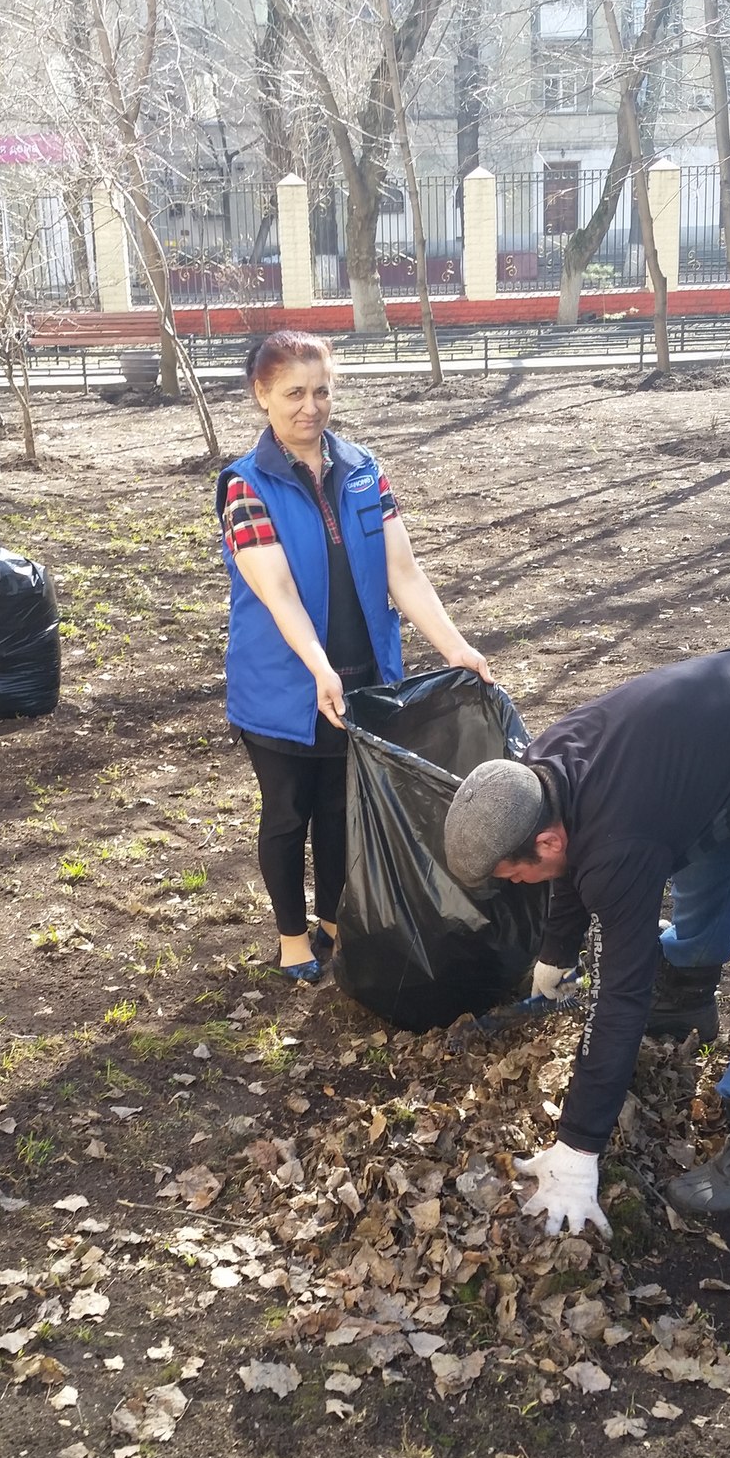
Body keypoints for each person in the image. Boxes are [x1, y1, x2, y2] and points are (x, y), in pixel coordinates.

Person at [442, 647, 730, 1232]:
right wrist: (557, 950)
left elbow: (619, 994)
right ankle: (685, 998)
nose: (519, 884)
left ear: (543, 842)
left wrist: (578, 1146)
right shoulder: (539, 775)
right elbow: (574, 858)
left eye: (514, 874)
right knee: (699, 874)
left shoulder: (617, 842)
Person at [217, 330, 490, 980]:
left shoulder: (364, 470)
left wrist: (455, 647)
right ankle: (292, 937)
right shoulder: (245, 486)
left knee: (343, 811)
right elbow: (278, 592)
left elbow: (403, 573)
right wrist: (318, 667)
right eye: (293, 393)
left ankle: (335, 921)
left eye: (321, 391)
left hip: (364, 681)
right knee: (288, 815)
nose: (309, 407)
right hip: (282, 685)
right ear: (261, 395)